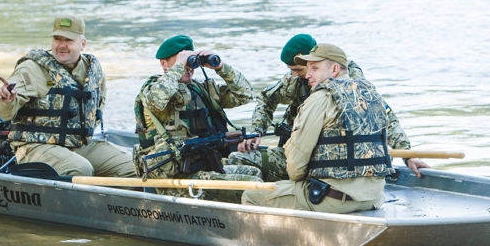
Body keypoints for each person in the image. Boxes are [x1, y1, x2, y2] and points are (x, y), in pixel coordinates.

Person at [227, 34, 429, 181]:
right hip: (300, 154)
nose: (297, 75)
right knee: (238, 159)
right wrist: (257, 131)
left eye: (301, 68)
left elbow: (385, 116)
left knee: (238, 161)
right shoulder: (295, 80)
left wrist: (407, 155)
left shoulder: (352, 83)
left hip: (328, 160)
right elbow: (266, 99)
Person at [241, 44, 397, 213]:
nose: (307, 75)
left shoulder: (320, 98)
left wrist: (296, 180)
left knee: (251, 195)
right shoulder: (372, 94)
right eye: (308, 69)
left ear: (335, 69)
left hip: (332, 199)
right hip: (374, 198)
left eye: (314, 68)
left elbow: (296, 163)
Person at [0, 16, 136, 178]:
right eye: (57, 39)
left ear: (83, 44)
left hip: (77, 144)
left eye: (68, 40)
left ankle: (114, 203)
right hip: (36, 146)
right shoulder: (32, 68)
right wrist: (7, 99)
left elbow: (95, 113)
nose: (61, 45)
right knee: (80, 169)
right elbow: (4, 112)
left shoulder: (93, 73)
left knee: (135, 167)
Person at [132, 35, 263, 203]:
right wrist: (179, 66)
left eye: (190, 61)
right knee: (252, 186)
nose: (188, 67)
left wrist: (220, 67)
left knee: (255, 173)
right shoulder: (152, 90)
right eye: (181, 60)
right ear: (164, 64)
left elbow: (245, 94)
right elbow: (156, 101)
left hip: (202, 167)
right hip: (174, 178)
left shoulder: (200, 89)